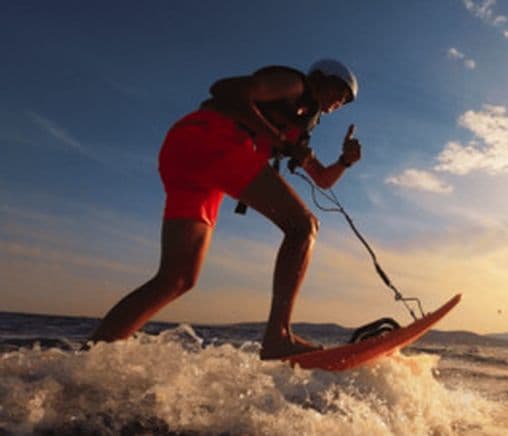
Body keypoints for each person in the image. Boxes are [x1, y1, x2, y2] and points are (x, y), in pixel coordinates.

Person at [88, 59, 361, 359]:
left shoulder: (299, 125)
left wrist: (344, 161)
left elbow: (322, 180)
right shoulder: (293, 85)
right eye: (340, 90)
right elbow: (224, 90)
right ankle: (278, 337)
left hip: (187, 153)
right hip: (211, 139)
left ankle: (90, 357)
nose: (340, 100)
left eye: (346, 100)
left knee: (177, 278)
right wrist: (278, 139)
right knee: (302, 227)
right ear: (320, 78)